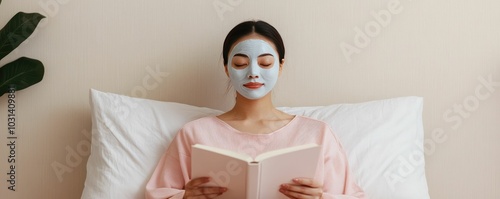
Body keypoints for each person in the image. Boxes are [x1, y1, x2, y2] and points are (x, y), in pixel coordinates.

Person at [145, 20, 366, 199]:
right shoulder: (194, 134)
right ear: (226, 68)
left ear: (280, 66)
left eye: (266, 63)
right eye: (240, 63)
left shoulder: (318, 134)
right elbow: (155, 194)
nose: (252, 72)